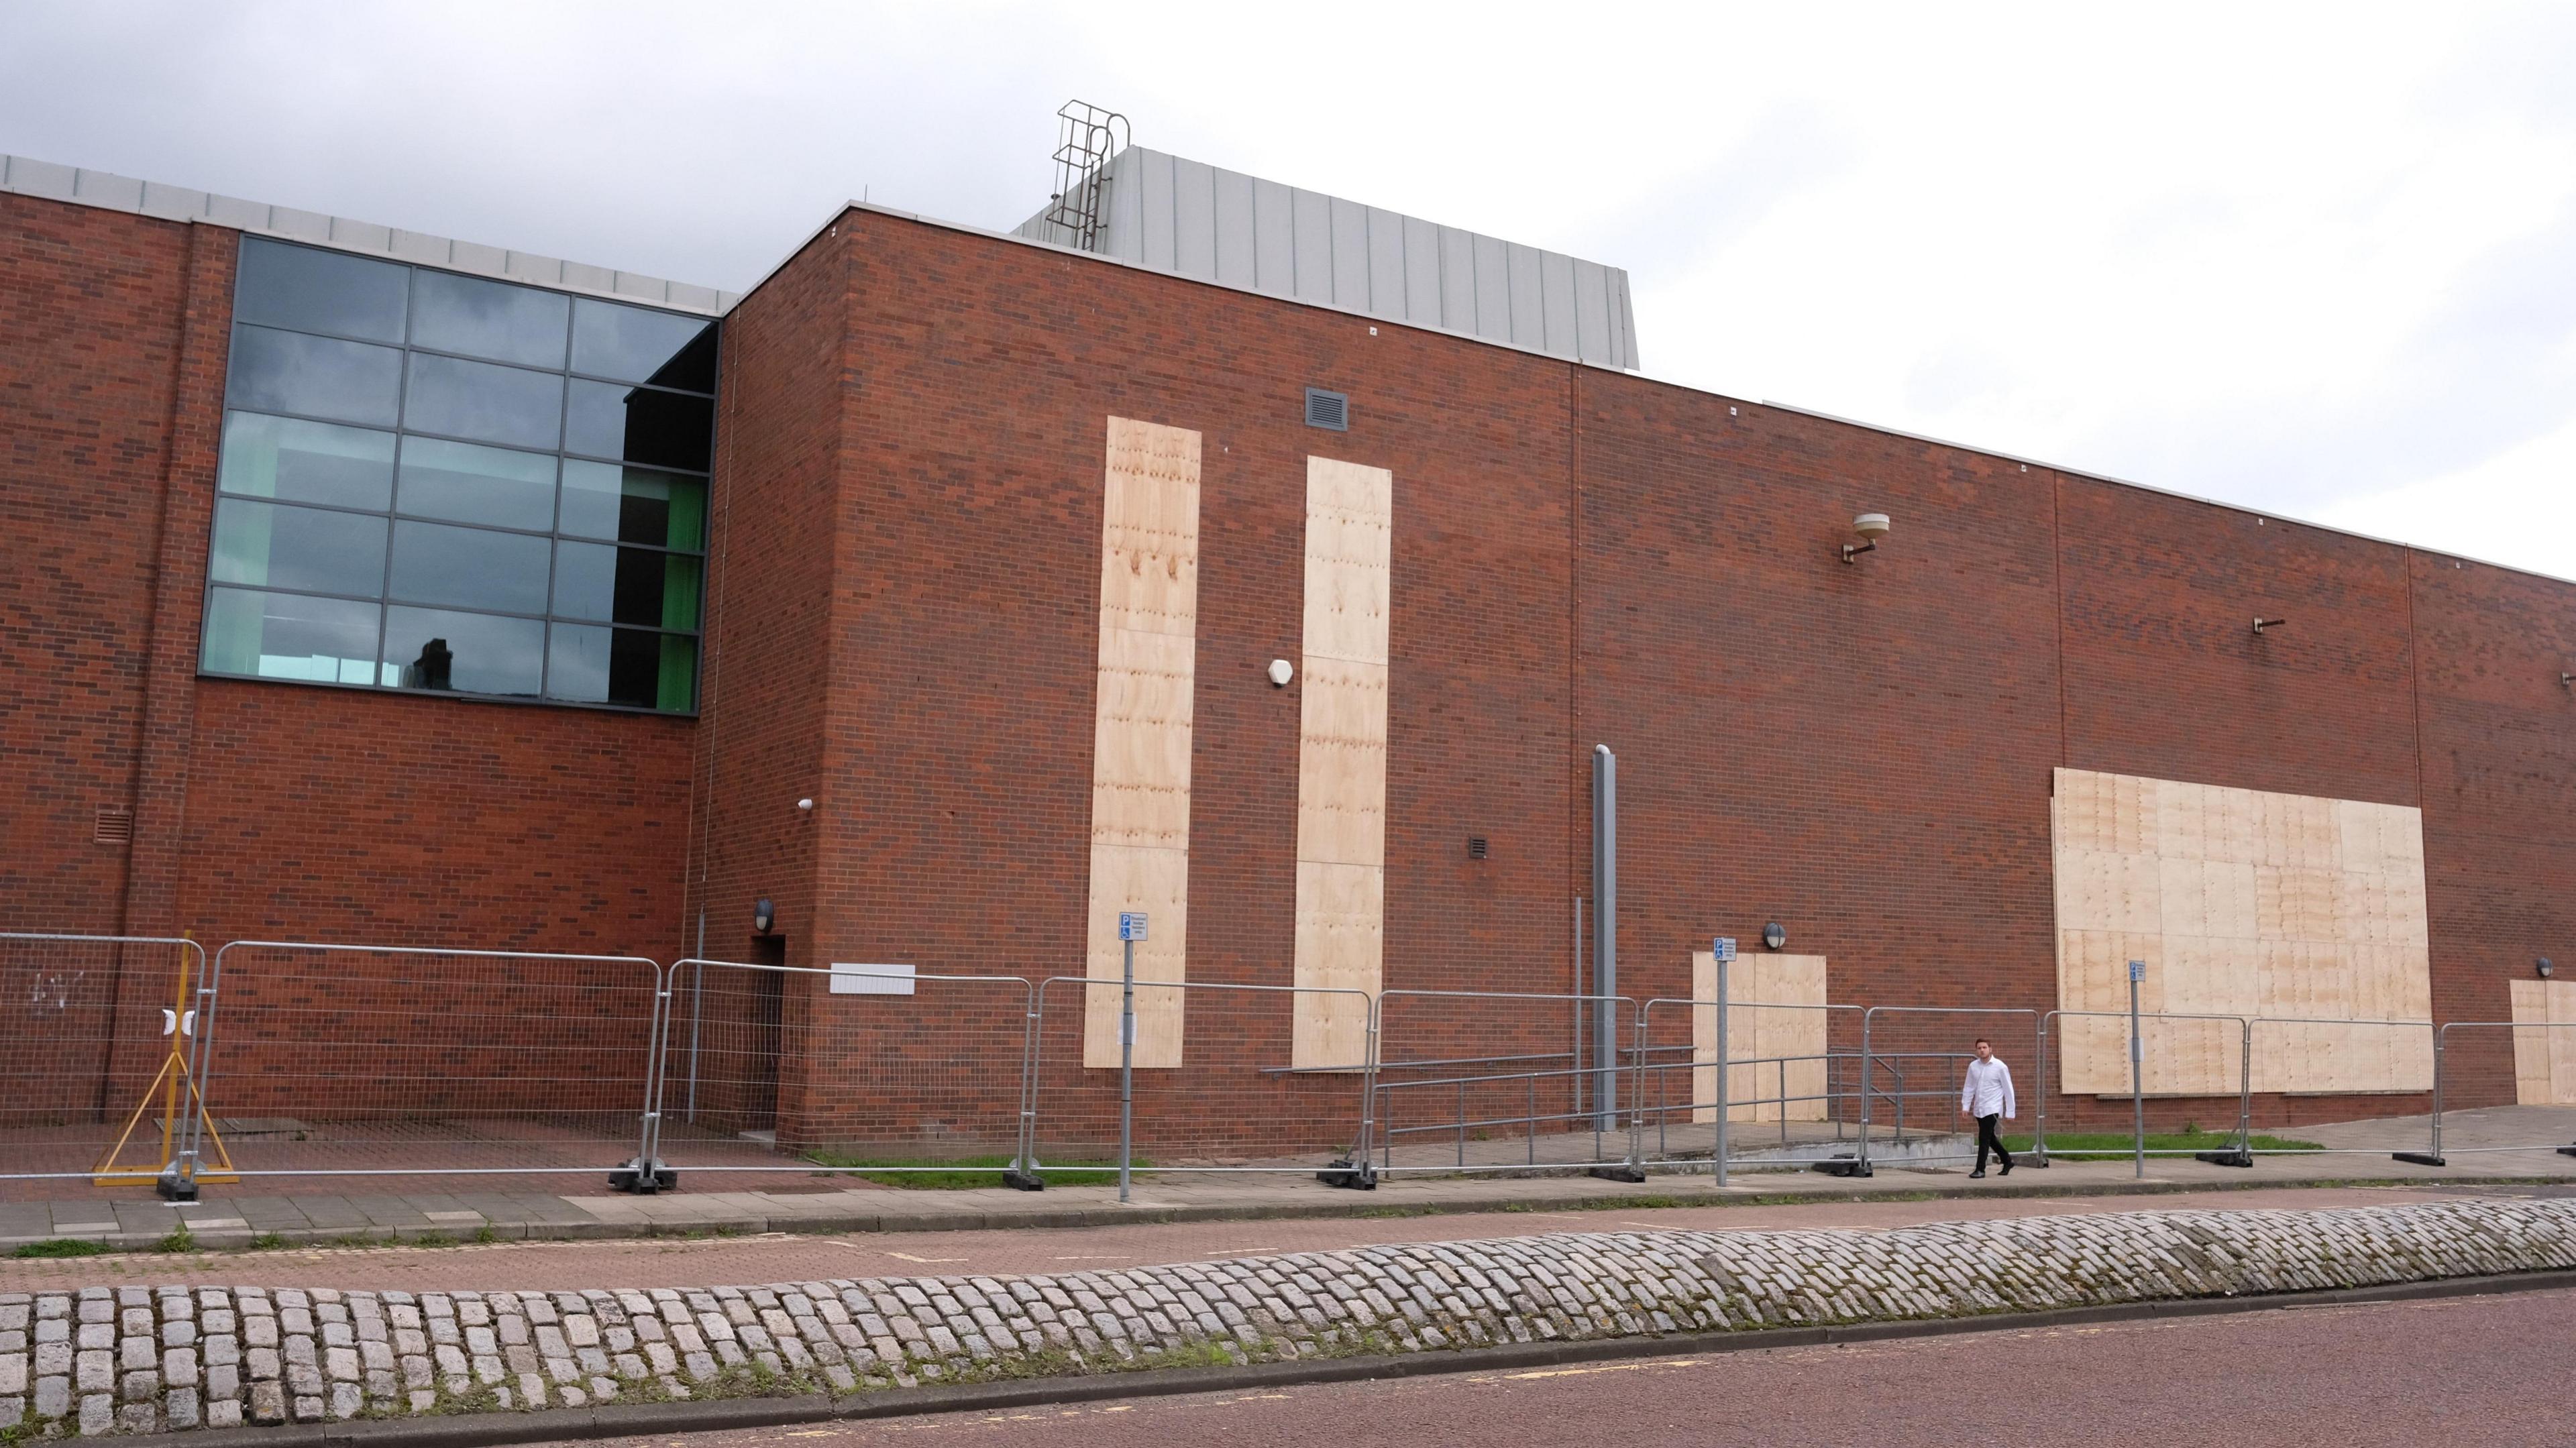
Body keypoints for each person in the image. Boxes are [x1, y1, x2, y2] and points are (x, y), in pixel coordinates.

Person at [1959, 1037, 2015, 1178]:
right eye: (1979, 1048)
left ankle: (1980, 1169)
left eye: (1985, 1047)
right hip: (1980, 1107)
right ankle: (2008, 1161)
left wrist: (2010, 1111)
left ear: (1990, 1049)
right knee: (1990, 1138)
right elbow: (1969, 1087)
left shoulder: (2000, 1066)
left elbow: (2008, 1090)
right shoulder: (1973, 1067)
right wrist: (1966, 1105)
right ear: (1976, 1050)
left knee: (1984, 1137)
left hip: (1993, 1108)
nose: (1982, 1050)